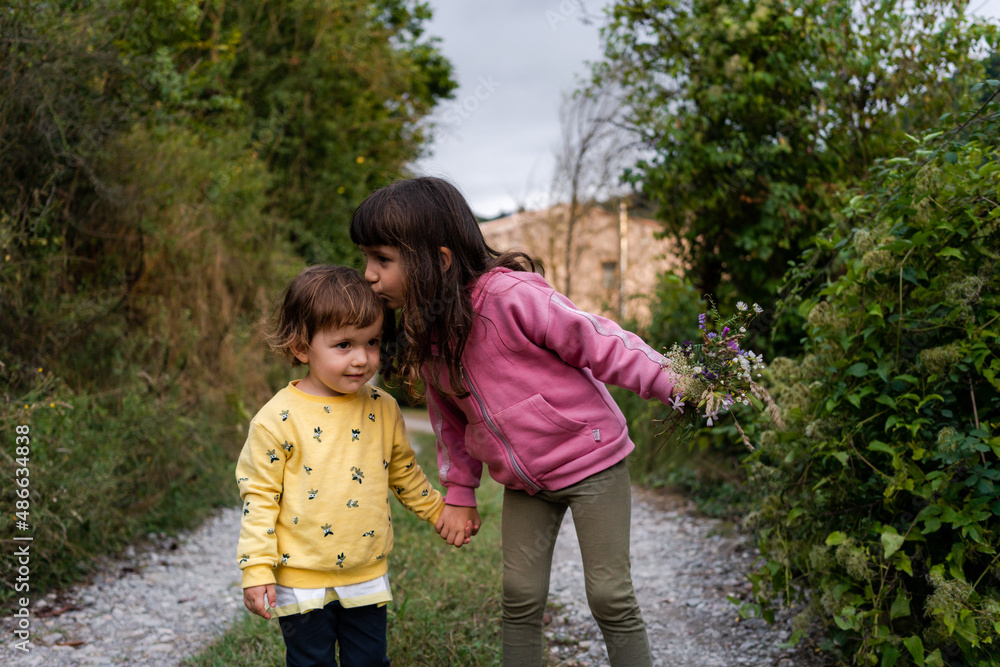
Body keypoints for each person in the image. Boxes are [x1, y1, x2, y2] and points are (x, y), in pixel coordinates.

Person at [349, 177, 677, 667]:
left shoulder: (510, 296)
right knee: (519, 595)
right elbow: (450, 425)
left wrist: (673, 382)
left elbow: (598, 341)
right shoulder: (430, 335)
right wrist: (459, 494)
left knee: (609, 595)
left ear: (436, 260)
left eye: (382, 260)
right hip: (527, 484)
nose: (369, 275)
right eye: (367, 259)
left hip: (593, 463)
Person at [235, 264, 467, 667]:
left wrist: (439, 511)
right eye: (344, 345)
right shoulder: (277, 419)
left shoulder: (383, 408)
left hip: (365, 571)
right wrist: (257, 569)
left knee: (369, 660)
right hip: (299, 577)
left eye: (372, 342)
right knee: (311, 661)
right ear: (301, 346)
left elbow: (404, 473)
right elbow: (259, 497)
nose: (362, 359)